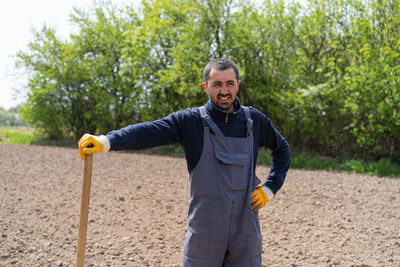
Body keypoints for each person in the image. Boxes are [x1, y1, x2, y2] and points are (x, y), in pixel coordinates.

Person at [78, 58, 291, 267]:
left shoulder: (254, 121)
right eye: (217, 84)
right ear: (205, 86)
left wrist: (270, 187)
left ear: (238, 85)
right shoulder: (190, 122)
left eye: (229, 84)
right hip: (205, 231)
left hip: (245, 230)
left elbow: (282, 150)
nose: (224, 90)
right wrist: (106, 141)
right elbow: (149, 131)